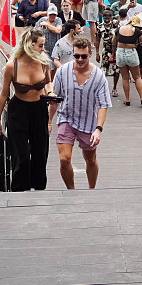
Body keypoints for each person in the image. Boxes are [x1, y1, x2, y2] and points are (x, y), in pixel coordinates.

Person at [0, 29, 55, 191]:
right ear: (30, 46)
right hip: (18, 111)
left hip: (39, 108)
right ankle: (20, 190)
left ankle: (39, 187)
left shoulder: (43, 63)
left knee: (40, 152)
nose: (43, 49)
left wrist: (51, 93)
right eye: (40, 46)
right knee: (20, 155)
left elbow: (48, 83)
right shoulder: (11, 66)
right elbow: (4, 94)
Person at [51, 36, 111, 189]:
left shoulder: (98, 76)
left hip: (88, 122)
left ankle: (92, 189)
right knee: (64, 159)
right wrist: (49, 121)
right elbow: (55, 99)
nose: (79, 59)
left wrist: (98, 129)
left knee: (90, 159)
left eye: (83, 56)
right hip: (66, 118)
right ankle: (71, 190)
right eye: (76, 55)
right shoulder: (62, 71)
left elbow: (103, 105)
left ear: (90, 54)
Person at [114, 12, 142, 107]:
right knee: (137, 77)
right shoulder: (136, 31)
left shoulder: (119, 29)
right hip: (131, 52)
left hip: (120, 52)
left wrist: (113, 54)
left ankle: (127, 100)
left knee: (125, 78)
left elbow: (114, 41)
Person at [98, 8, 121, 97]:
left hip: (116, 50)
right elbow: (98, 39)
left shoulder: (116, 25)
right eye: (105, 18)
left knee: (116, 70)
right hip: (106, 51)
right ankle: (103, 88)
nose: (107, 20)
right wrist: (97, 52)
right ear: (103, 17)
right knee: (104, 69)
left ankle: (114, 88)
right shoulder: (100, 26)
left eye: (109, 18)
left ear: (111, 17)